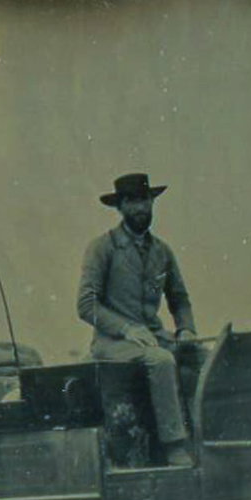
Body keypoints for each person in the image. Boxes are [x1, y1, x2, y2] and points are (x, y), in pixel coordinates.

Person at [76, 172, 198, 468]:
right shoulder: (102, 248)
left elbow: (179, 299)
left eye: (145, 200)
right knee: (161, 360)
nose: (141, 208)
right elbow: (85, 304)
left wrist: (185, 330)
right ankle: (174, 447)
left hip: (153, 337)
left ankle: (202, 438)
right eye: (132, 201)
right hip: (113, 343)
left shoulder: (162, 251)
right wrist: (126, 328)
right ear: (120, 207)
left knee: (201, 357)